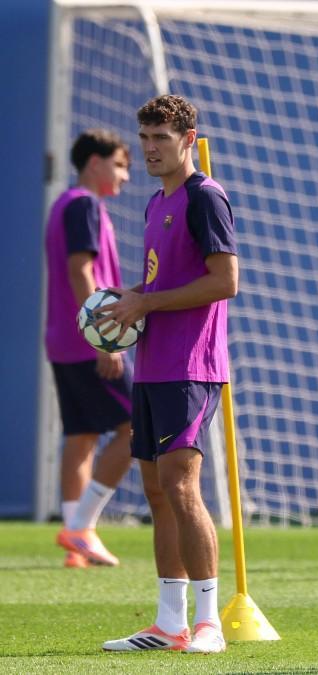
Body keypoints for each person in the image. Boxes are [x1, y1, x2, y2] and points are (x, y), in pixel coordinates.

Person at [98, 95, 238, 653]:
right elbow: (159, 283)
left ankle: (209, 623)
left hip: (191, 365)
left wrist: (148, 305)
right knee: (156, 490)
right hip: (153, 363)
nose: (150, 148)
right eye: (145, 137)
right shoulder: (158, 204)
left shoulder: (206, 197)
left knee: (181, 483)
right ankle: (168, 624)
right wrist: (128, 301)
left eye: (161, 137)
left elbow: (225, 281)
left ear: (188, 138)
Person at [46, 129, 135, 569]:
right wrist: (104, 336)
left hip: (62, 340)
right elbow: (81, 268)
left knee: (80, 435)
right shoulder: (83, 204)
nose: (125, 177)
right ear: (94, 162)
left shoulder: (62, 204)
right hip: (86, 341)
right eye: (120, 165)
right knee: (136, 425)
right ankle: (81, 526)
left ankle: (75, 543)